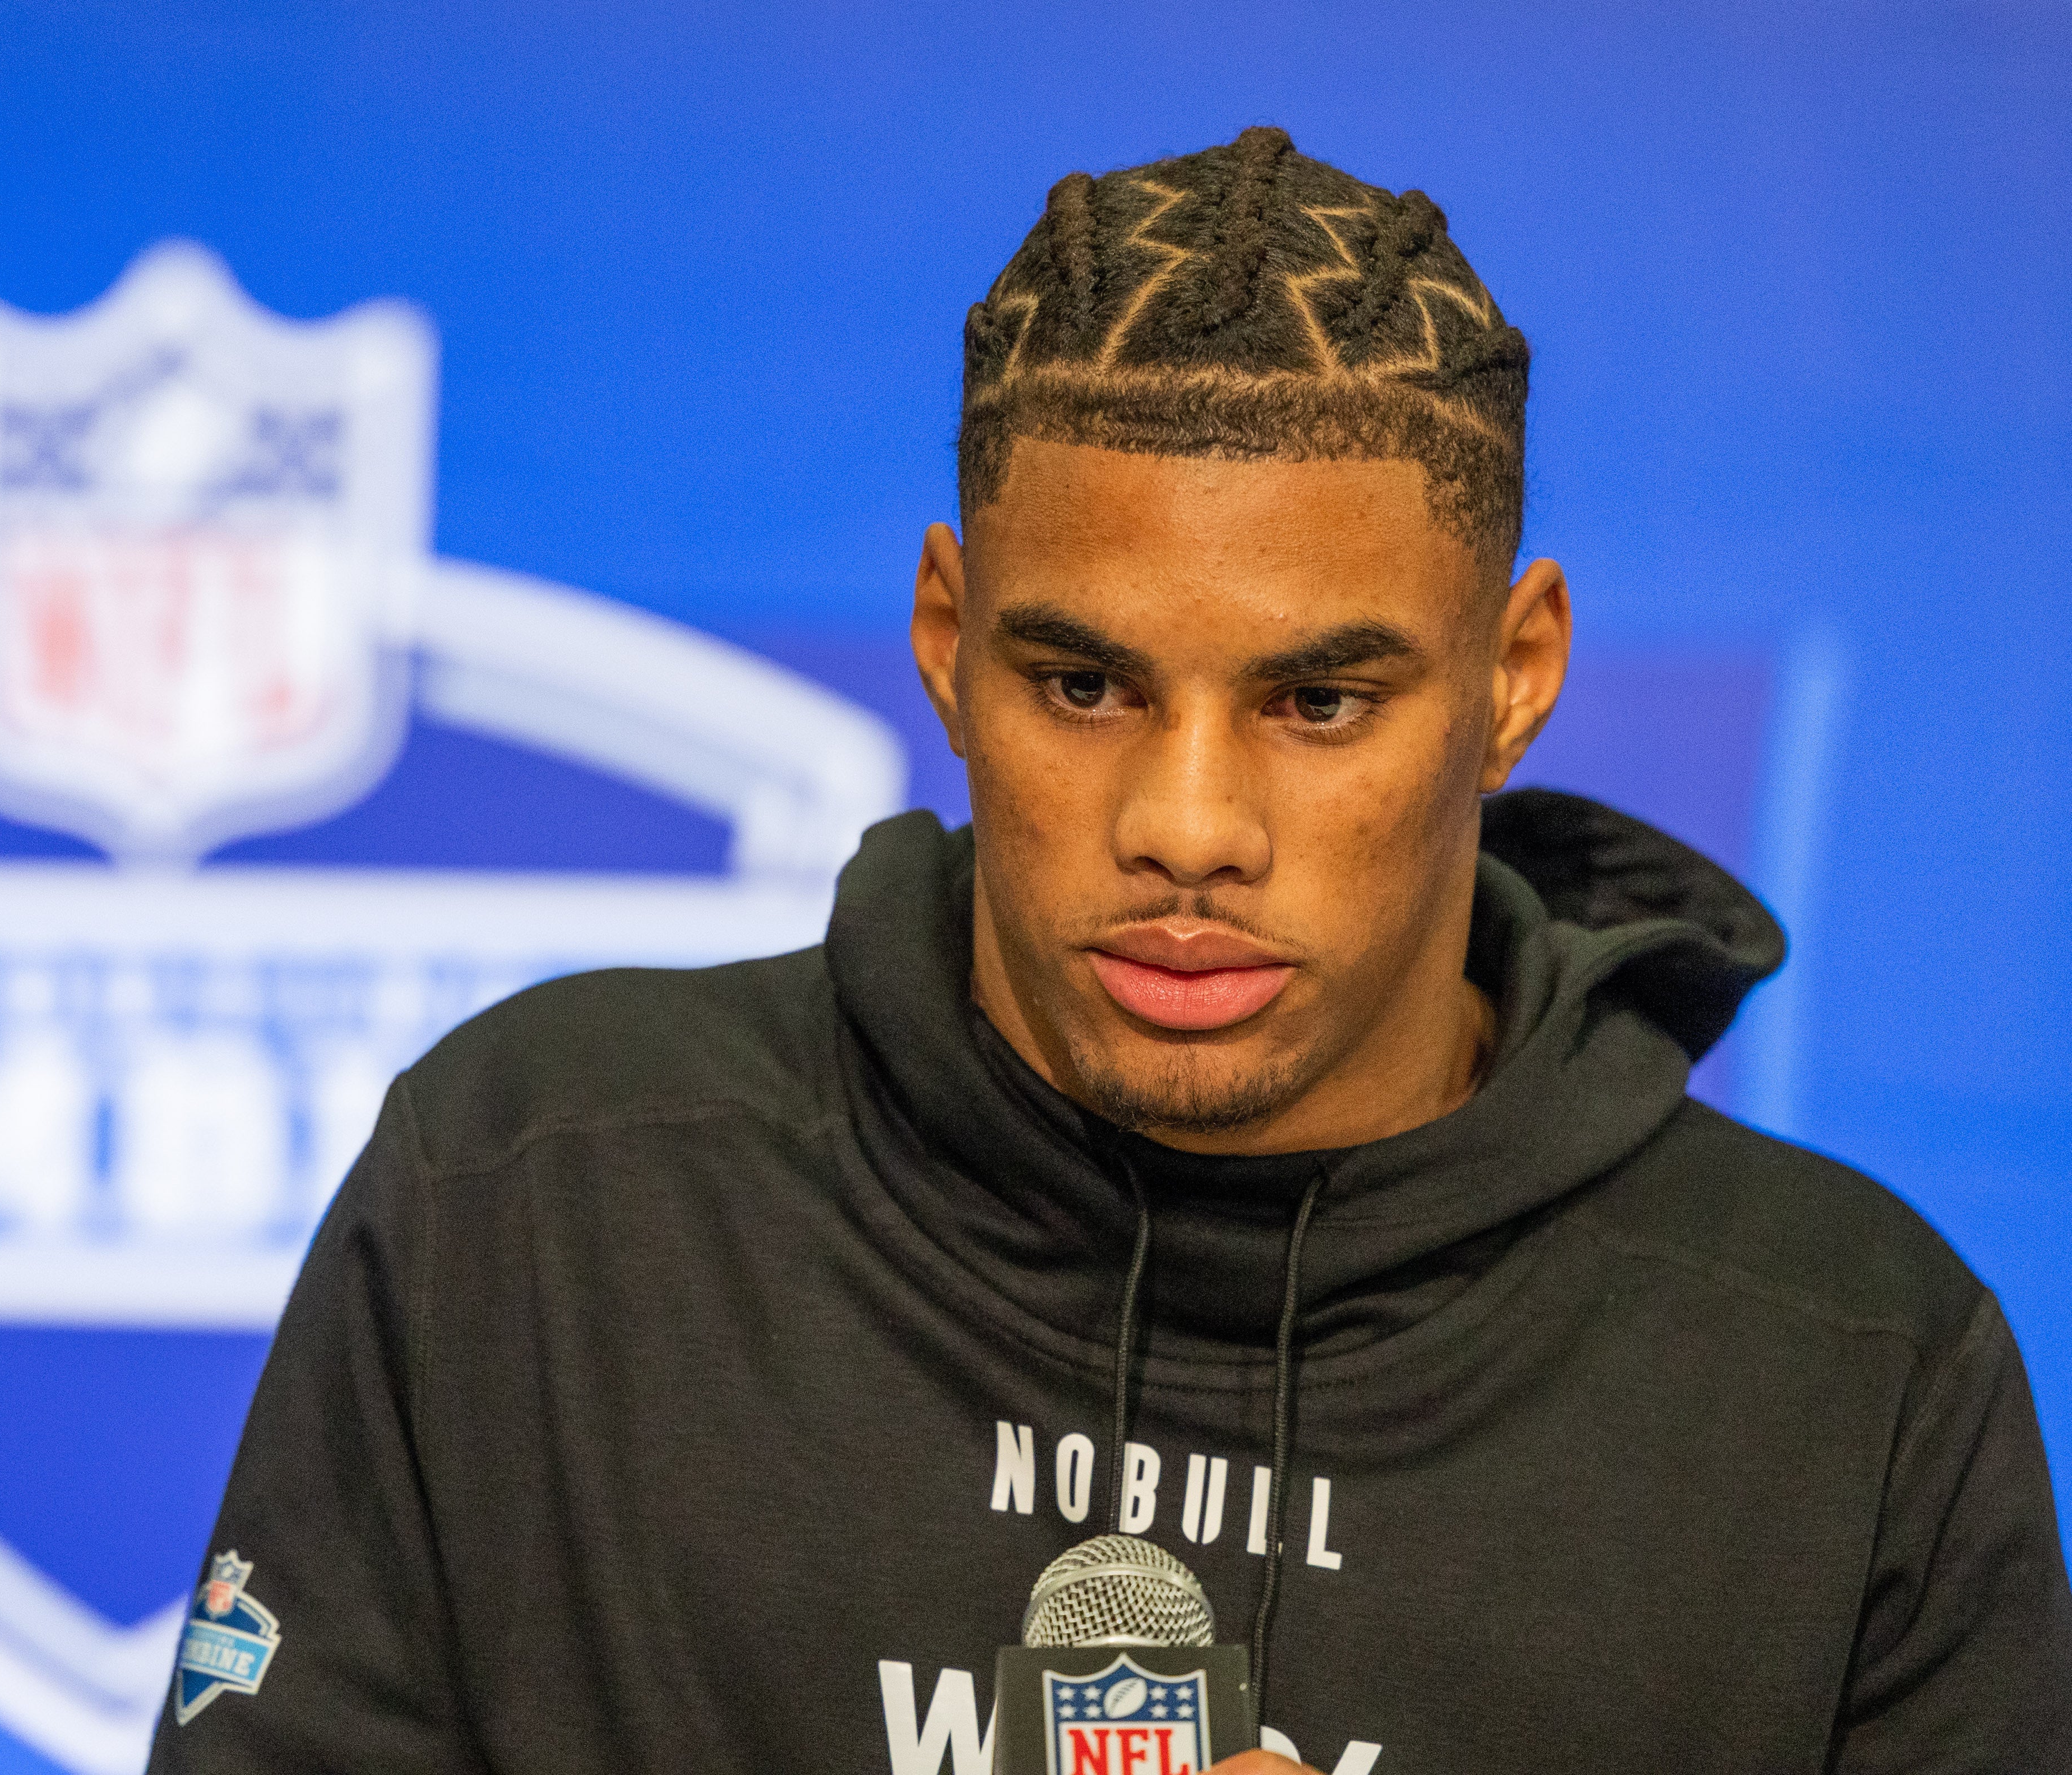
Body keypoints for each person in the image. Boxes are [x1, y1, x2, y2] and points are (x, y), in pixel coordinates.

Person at [146, 128, 2072, 1774]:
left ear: (1516, 681)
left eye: (1322, 702)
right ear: (943, 638)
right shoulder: (539, 1199)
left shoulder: (1850, 1375)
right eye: (1081, 681)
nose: (1189, 824)